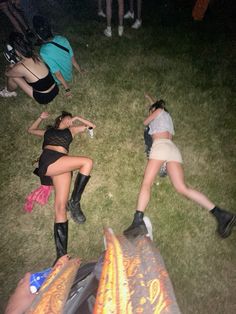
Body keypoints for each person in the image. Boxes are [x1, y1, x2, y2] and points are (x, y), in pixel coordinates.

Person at [124, 94, 236, 239]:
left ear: (156, 109)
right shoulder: (167, 118)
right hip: (173, 150)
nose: (149, 112)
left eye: (151, 109)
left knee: (147, 183)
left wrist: (151, 112)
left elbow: (147, 120)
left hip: (161, 146)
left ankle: (138, 221)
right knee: (183, 188)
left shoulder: (158, 112)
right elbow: (157, 107)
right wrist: (150, 99)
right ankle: (221, 215)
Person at [28, 111, 96, 263]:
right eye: (69, 118)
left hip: (63, 164)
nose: (70, 121)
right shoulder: (48, 131)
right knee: (87, 162)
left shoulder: (71, 130)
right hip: (49, 159)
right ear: (61, 118)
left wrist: (77, 118)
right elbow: (30, 130)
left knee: (59, 208)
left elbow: (92, 126)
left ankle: (61, 256)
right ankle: (75, 202)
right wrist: (40, 117)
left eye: (72, 120)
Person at [33, 15, 84, 99]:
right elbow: (73, 59)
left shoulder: (43, 51)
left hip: (58, 80)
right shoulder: (62, 39)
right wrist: (80, 70)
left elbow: (57, 73)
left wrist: (67, 89)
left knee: (38, 64)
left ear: (38, 35)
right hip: (69, 74)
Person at [0, 32, 59, 104]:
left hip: (45, 97)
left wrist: (10, 66)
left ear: (15, 50)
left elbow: (7, 74)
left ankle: (7, 92)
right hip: (55, 88)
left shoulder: (21, 66)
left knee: (13, 76)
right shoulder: (35, 55)